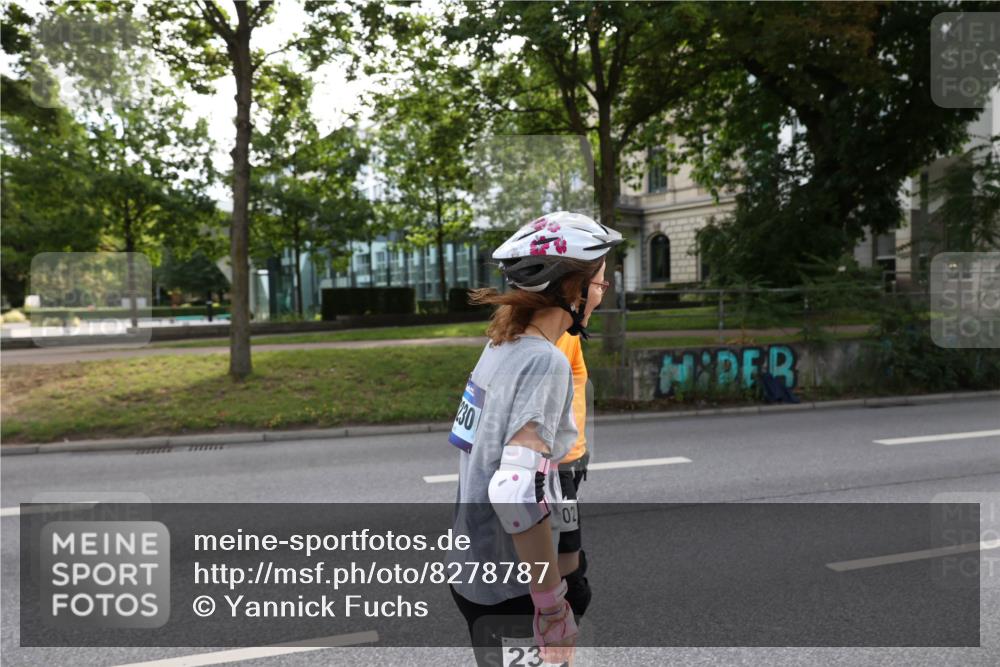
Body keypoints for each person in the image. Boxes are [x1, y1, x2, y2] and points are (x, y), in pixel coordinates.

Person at [447, 210, 622, 667]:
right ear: (573, 289)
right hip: (513, 588)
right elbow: (516, 490)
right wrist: (551, 606)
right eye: (600, 283)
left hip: (474, 569)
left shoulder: (501, 346)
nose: (601, 294)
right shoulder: (545, 362)